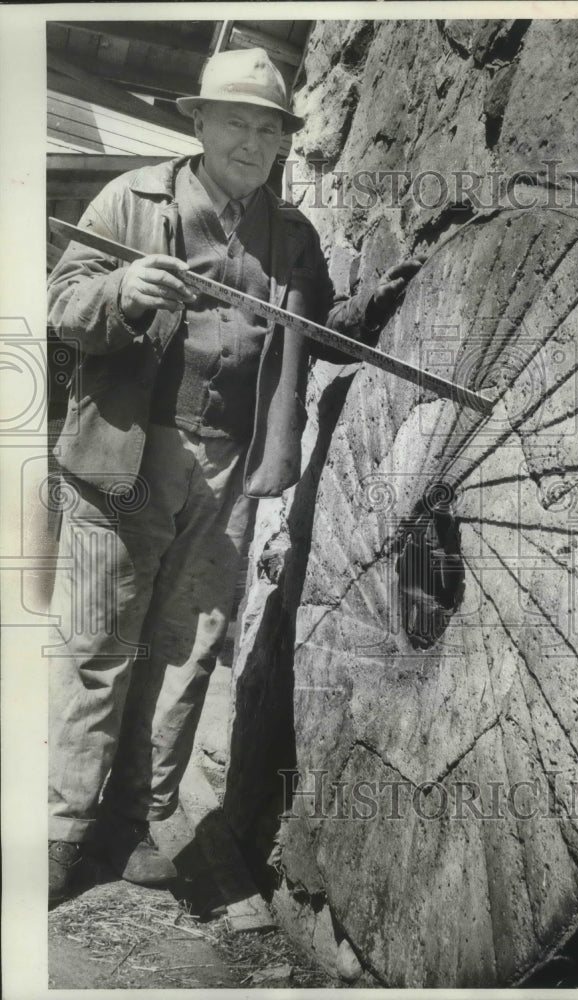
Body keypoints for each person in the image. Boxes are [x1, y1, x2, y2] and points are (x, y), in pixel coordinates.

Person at [46, 46, 421, 904]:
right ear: (200, 122)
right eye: (237, 121)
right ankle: (62, 832)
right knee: (104, 648)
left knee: (187, 649)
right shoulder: (130, 202)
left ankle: (134, 821)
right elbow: (66, 312)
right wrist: (123, 291)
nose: (253, 140)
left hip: (228, 468)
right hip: (125, 460)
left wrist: (384, 302)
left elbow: (315, 329)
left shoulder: (290, 238)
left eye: (269, 128)